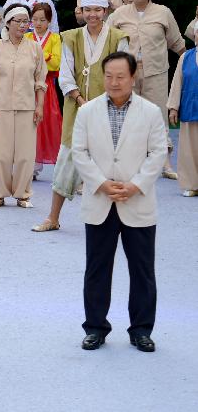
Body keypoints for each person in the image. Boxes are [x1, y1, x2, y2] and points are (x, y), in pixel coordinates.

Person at [73, 51, 166, 353]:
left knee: (142, 271)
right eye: (109, 76)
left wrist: (135, 186)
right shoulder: (87, 112)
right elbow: (79, 152)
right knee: (97, 269)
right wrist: (100, 183)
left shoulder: (151, 112)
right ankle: (95, 328)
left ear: (133, 77)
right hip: (100, 200)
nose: (114, 82)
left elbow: (158, 153)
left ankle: (141, 329)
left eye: (120, 77)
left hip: (136, 202)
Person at [33, 0, 129, 232]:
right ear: (81, 11)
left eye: (97, 9)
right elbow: (65, 76)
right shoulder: (70, 37)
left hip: (111, 108)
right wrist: (79, 98)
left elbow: (124, 73)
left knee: (111, 163)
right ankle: (53, 218)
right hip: (77, 109)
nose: (92, 14)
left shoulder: (118, 37)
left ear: (105, 11)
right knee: (67, 159)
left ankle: (115, 220)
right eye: (87, 10)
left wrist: (106, 100)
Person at [109, 0, 184, 179]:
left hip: (156, 71)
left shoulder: (163, 12)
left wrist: (189, 64)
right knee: (127, 114)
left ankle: (165, 161)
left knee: (158, 115)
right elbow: (107, 42)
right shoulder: (120, 14)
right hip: (127, 73)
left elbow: (176, 43)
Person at [0, 4, 47, 208]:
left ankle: (23, 194)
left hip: (27, 106)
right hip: (1, 107)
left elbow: (40, 80)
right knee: (0, 153)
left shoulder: (35, 47)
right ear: (7, 23)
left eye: (25, 21)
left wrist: (40, 106)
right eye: (17, 21)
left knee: (25, 154)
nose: (22, 25)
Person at [26, 2, 62, 178]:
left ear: (49, 21)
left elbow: (56, 62)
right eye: (35, 19)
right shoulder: (27, 37)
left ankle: (57, 162)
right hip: (26, 84)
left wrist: (39, 56)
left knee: (49, 122)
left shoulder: (55, 38)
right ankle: (31, 164)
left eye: (43, 20)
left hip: (47, 85)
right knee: (29, 123)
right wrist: (45, 57)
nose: (38, 23)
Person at [168, 45, 198, 196]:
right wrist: (173, 107)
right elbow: (176, 82)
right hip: (190, 106)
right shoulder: (185, 57)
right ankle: (191, 185)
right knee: (188, 150)